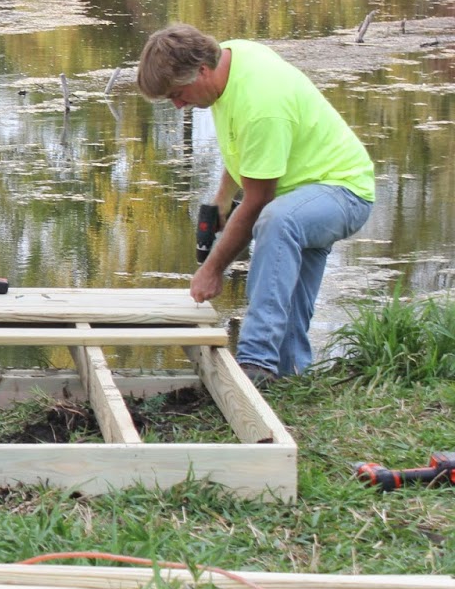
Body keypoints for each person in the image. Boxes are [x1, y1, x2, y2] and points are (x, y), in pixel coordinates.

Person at [137, 23, 375, 384]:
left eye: (179, 93)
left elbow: (258, 201)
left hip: (342, 192)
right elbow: (245, 149)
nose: (179, 104)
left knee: (277, 221)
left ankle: (255, 362)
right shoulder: (228, 59)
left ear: (202, 70)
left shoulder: (262, 103)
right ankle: (290, 378)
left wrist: (213, 269)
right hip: (298, 192)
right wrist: (221, 196)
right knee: (288, 298)